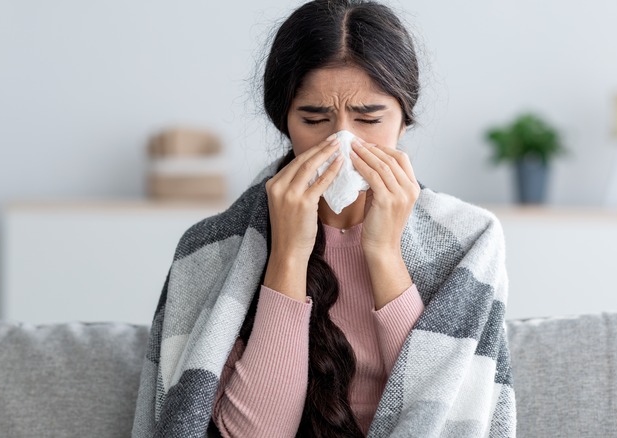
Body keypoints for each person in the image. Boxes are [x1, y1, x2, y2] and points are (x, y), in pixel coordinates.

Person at [132, 1, 515, 437]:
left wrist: (384, 253)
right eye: (315, 119)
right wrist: (289, 256)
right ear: (285, 124)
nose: (342, 142)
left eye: (369, 118)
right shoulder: (211, 249)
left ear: (404, 122)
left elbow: (445, 421)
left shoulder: (469, 240)